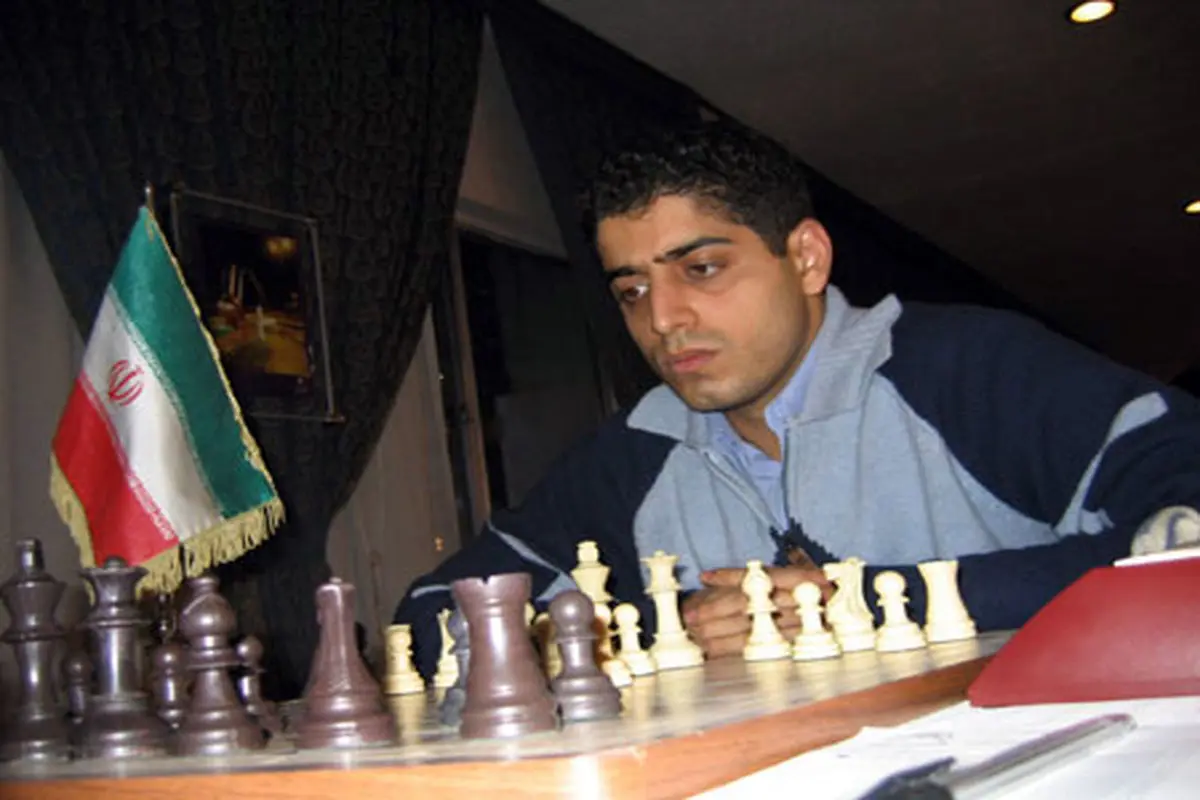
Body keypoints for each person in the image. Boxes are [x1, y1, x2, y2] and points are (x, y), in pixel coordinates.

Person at [394, 121, 1200, 675]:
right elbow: (429, 613)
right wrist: (624, 630)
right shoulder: (633, 455)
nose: (663, 319)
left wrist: (861, 605)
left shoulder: (968, 369)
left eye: (701, 268)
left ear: (807, 258)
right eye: (632, 289)